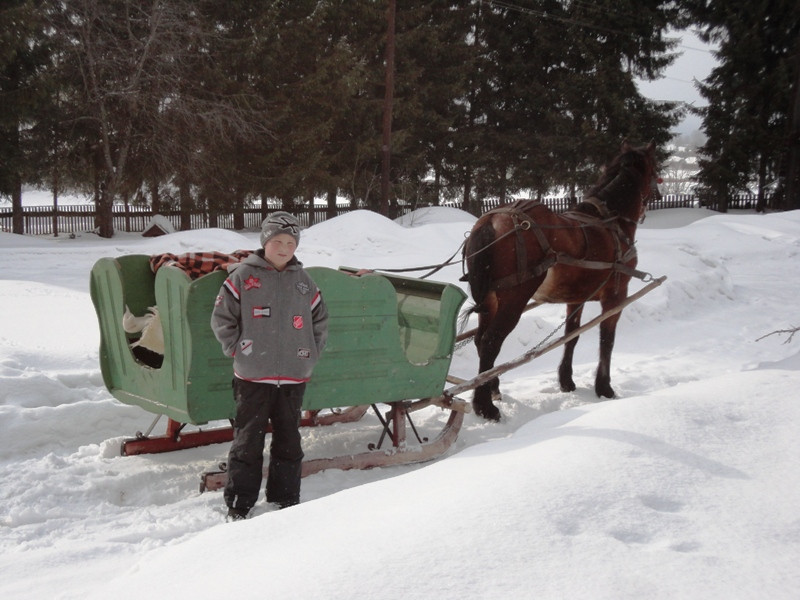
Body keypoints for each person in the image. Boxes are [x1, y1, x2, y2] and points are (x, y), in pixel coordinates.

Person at [211, 211, 328, 521]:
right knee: (248, 440)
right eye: (278, 241)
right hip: (253, 375)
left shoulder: (304, 282)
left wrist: (310, 354)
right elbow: (222, 317)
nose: (284, 248)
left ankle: (285, 499)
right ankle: (239, 503)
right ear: (265, 242)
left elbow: (320, 320)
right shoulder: (243, 277)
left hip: (293, 376)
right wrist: (237, 349)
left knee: (289, 440)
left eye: (291, 242)